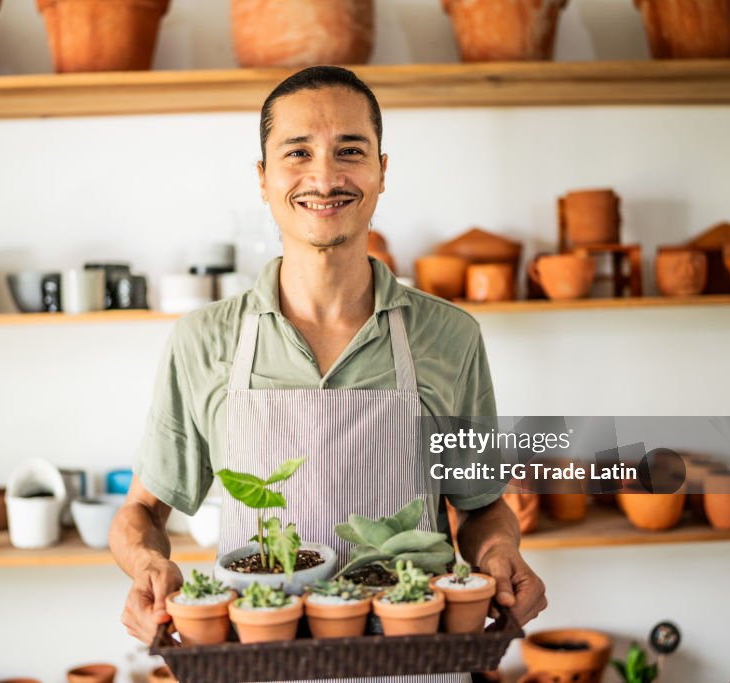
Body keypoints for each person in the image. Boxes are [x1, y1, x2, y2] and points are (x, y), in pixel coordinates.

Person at [110, 65, 546, 682]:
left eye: (350, 151)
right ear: (262, 180)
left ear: (381, 172)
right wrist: (146, 566)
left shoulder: (450, 337)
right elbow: (143, 513)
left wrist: (501, 551)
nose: (324, 176)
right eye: (298, 152)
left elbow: (482, 508)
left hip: (413, 666)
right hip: (262, 665)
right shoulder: (203, 341)